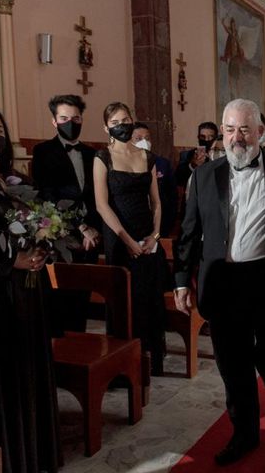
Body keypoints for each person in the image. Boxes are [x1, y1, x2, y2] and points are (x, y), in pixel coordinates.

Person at [173, 98, 265, 466]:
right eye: (230, 129)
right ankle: (244, 434)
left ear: (261, 132)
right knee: (234, 367)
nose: (237, 137)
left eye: (245, 129)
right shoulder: (203, 175)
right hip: (223, 284)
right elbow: (188, 233)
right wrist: (182, 280)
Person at [0, 103, 60, 472]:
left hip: (25, 295)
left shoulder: (15, 180)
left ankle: (33, 455)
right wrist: (10, 261)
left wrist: (44, 244)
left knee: (27, 373)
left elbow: (35, 226)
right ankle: (8, 461)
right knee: (0, 382)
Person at [94, 102, 167, 375]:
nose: (122, 124)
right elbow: (102, 205)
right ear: (107, 128)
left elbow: (157, 203)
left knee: (150, 299)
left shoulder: (147, 157)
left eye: (125, 119)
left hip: (148, 237)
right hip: (119, 238)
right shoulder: (102, 158)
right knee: (124, 301)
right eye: (115, 122)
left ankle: (152, 359)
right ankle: (123, 365)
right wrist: (127, 240)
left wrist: (155, 236)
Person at [32, 94, 101, 336]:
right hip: (61, 235)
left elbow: (96, 197)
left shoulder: (92, 154)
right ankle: (61, 355)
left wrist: (93, 229)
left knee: (82, 298)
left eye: (75, 118)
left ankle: (79, 346)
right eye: (64, 118)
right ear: (54, 121)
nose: (70, 122)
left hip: (91, 238)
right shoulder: (43, 152)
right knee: (59, 299)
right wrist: (81, 226)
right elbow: (48, 196)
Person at [132, 122, 177, 237]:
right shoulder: (124, 165)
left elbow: (172, 196)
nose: (144, 142)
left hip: (161, 223)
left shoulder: (162, 163)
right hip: (134, 223)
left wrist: (168, 223)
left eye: (147, 138)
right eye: (138, 139)